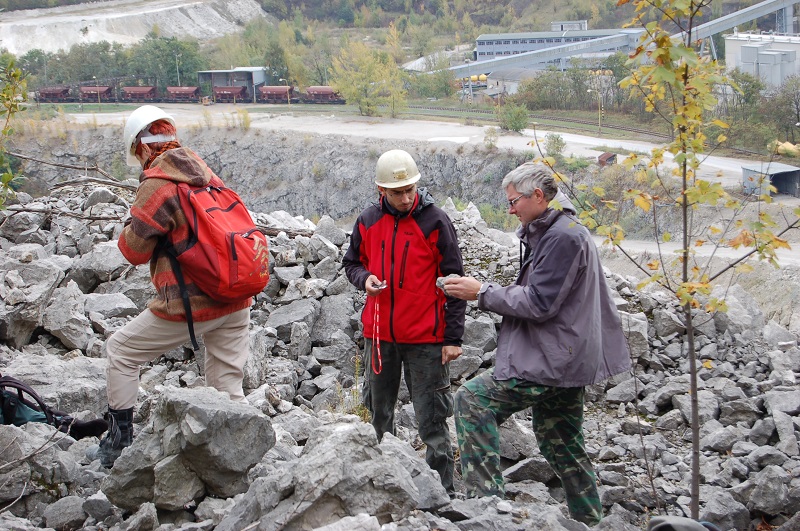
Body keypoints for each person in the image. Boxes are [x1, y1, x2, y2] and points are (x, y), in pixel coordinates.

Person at [443, 161, 631, 525]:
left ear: (539, 197)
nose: (510, 209)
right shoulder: (558, 230)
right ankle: (590, 520)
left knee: (472, 400)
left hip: (554, 358)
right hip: (569, 356)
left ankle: (486, 511)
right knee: (562, 440)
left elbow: (539, 303)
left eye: (514, 202)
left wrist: (480, 291)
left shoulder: (562, 237)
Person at [91, 105, 253, 468]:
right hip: (237, 296)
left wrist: (129, 226)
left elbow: (134, 251)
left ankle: (118, 445)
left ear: (142, 147)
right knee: (226, 388)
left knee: (121, 350)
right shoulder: (207, 174)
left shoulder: (157, 185)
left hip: (193, 303)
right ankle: (244, 456)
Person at [343, 149, 466, 494]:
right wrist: (364, 278)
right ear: (380, 190)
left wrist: (453, 338)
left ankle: (442, 492)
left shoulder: (435, 221)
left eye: (410, 189)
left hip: (426, 337)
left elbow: (454, 280)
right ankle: (386, 482)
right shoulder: (367, 221)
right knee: (378, 411)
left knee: (432, 419)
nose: (406, 197)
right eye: (397, 192)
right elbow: (351, 263)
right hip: (379, 334)